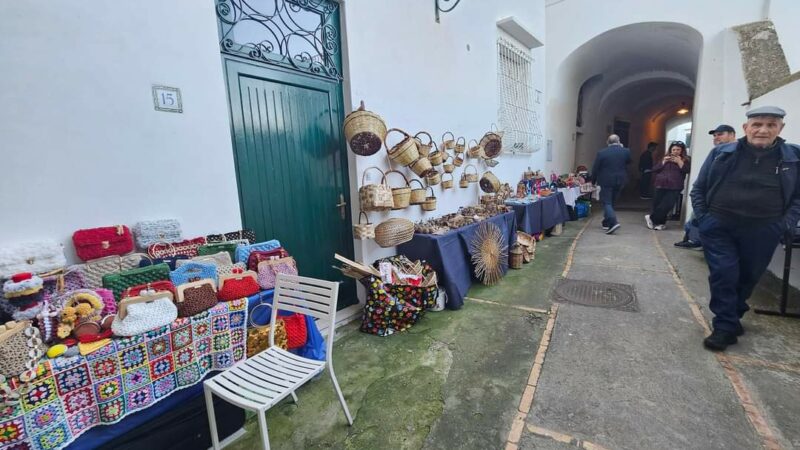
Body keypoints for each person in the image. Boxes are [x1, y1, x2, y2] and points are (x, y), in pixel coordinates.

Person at [690, 106, 800, 351]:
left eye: (771, 125)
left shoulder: (793, 158)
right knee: (724, 273)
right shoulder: (722, 153)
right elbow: (699, 188)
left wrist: (784, 223)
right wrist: (705, 219)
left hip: (764, 229)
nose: (763, 130)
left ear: (780, 128)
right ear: (746, 128)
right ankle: (724, 326)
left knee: (749, 276)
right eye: (757, 124)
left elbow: (797, 198)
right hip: (720, 225)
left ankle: (733, 314)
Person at [675, 124, 737, 249]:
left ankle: (697, 241)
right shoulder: (717, 152)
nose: (716, 138)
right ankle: (694, 240)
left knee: (698, 219)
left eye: (720, 134)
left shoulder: (737, 152)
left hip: (722, 200)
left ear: (732, 135)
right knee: (695, 218)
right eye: (714, 136)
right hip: (709, 196)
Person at [591, 134, 631, 234]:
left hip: (606, 181)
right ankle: (606, 222)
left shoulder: (601, 153)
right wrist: (622, 148)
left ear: (607, 142)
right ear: (619, 141)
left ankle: (613, 222)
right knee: (611, 202)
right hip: (620, 180)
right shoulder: (626, 151)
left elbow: (596, 168)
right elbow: (629, 162)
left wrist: (593, 181)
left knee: (607, 202)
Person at [645, 141, 691, 230]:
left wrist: (679, 162)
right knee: (657, 204)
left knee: (667, 205)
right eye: (673, 149)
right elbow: (655, 169)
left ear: (682, 150)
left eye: (678, 149)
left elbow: (686, 170)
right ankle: (660, 223)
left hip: (675, 185)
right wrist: (663, 162)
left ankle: (651, 218)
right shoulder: (665, 158)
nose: (675, 151)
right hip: (660, 184)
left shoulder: (686, 159)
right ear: (670, 150)